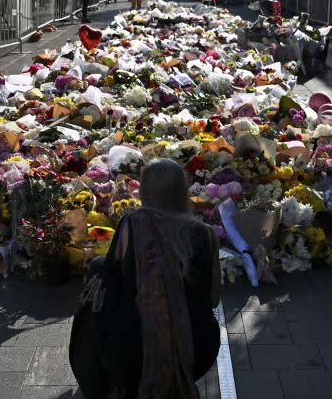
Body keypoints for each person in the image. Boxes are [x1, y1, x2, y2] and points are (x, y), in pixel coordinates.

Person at [70, 159, 221, 399]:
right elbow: (213, 300)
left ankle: (98, 377)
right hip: (197, 350)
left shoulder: (131, 225)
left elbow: (112, 278)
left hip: (132, 353)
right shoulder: (204, 234)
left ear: (146, 191)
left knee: (98, 268)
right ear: (181, 190)